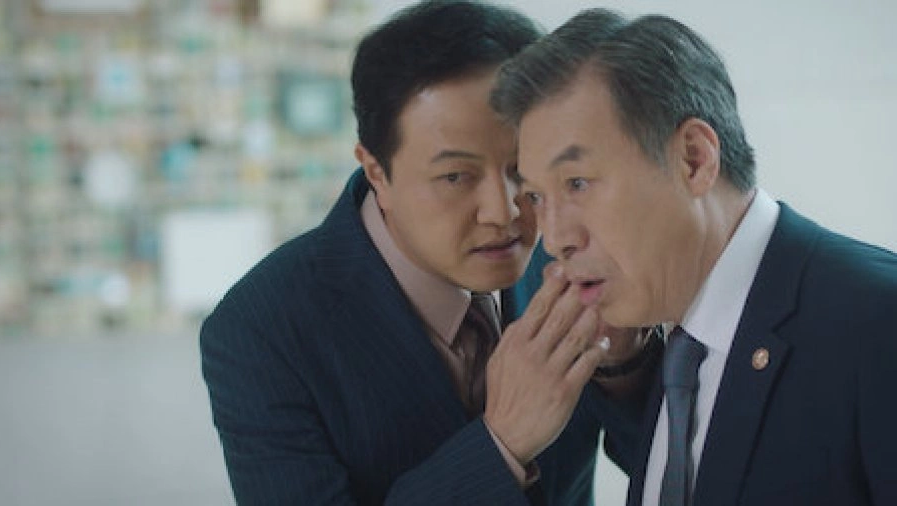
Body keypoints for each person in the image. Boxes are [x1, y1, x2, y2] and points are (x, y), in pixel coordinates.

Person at [200, 2, 658, 505]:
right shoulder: (260, 330)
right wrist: (501, 445)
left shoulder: (566, 251)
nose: (505, 212)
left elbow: (684, 466)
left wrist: (625, 367)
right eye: (456, 176)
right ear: (377, 172)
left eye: (521, 168)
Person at [491, 8, 897, 506]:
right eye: (536, 196)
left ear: (694, 159)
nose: (555, 239)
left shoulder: (879, 321)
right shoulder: (674, 344)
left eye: (577, 183)